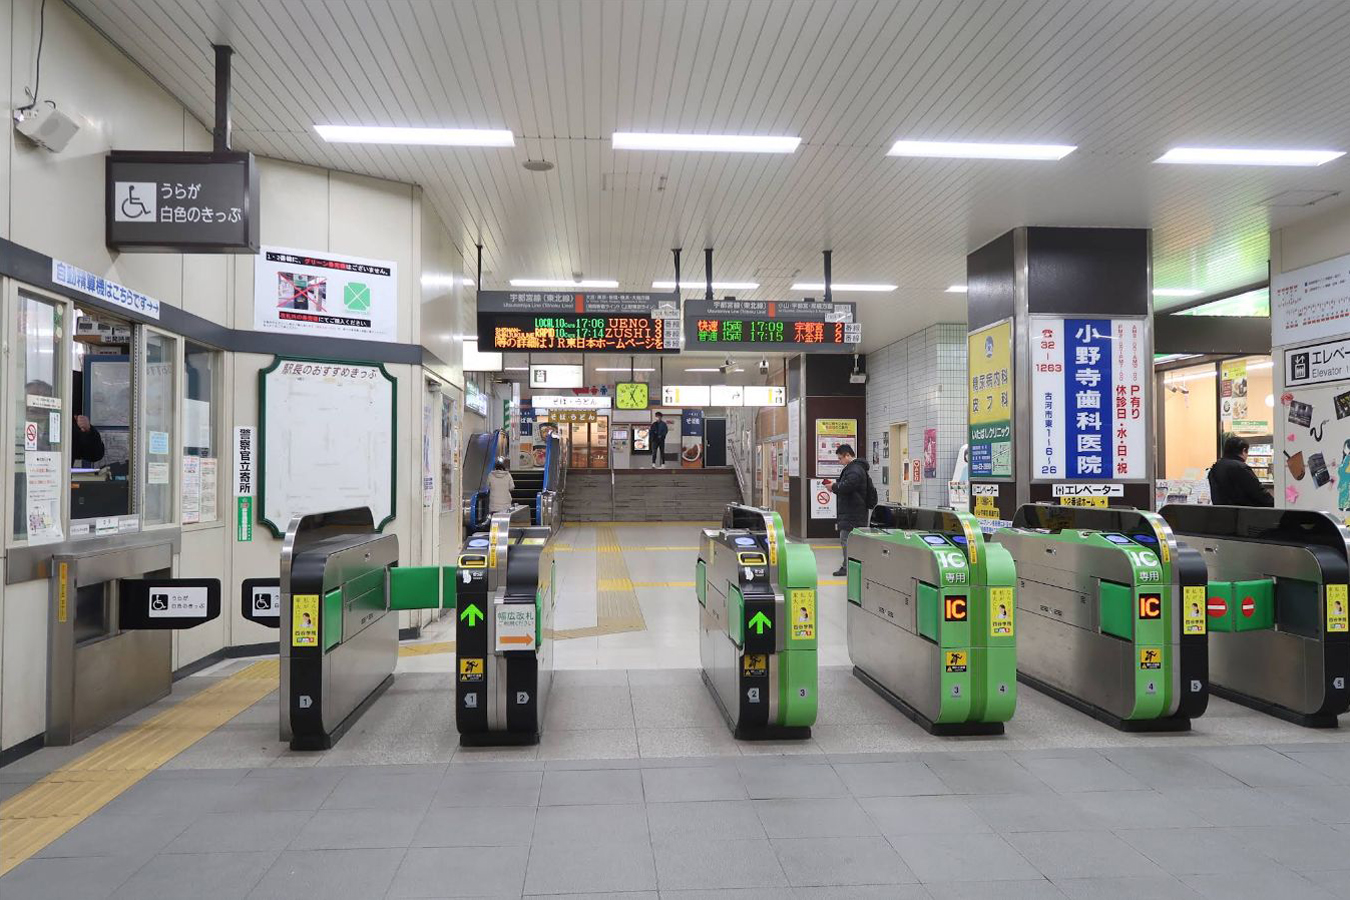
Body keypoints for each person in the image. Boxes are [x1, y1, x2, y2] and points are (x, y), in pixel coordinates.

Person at [828, 443, 873, 577]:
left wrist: (834, 487)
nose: (839, 461)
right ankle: (852, 566)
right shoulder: (855, 468)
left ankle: (848, 567)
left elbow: (849, 486)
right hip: (854, 511)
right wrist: (836, 487)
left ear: (847, 455)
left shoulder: (854, 469)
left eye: (840, 458)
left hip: (853, 512)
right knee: (851, 540)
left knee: (846, 540)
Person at [1208, 436, 1273, 507]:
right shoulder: (1241, 467)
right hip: (1242, 511)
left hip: (1221, 511)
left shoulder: (1216, 467)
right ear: (1244, 450)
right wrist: (1274, 504)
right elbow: (1257, 492)